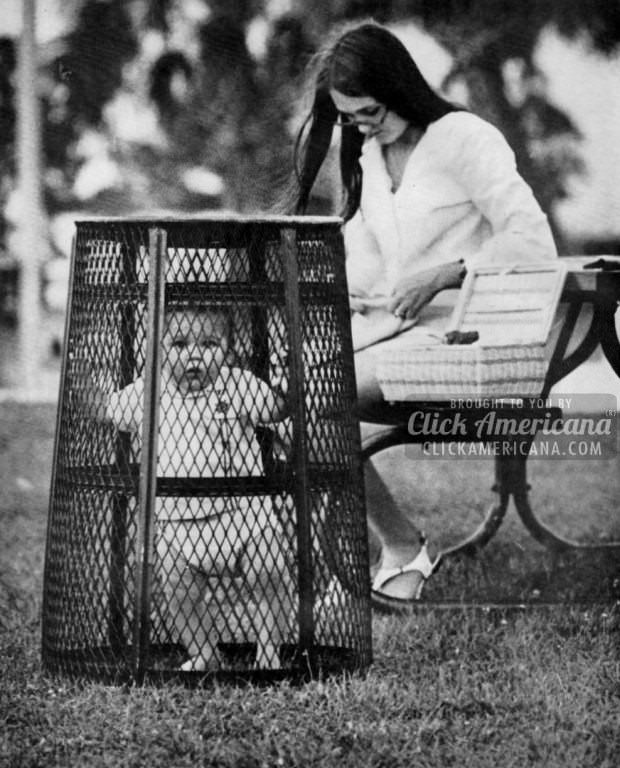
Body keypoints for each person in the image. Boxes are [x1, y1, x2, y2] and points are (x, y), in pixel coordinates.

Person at [292, 21, 558, 610]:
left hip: (469, 344)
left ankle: (401, 547)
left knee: (313, 401)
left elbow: (534, 241)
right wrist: (336, 289)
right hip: (394, 339)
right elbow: (368, 268)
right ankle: (361, 554)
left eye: (368, 110)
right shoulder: (368, 155)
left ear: (399, 85)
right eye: (349, 117)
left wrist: (448, 271)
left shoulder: (463, 137)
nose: (360, 125)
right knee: (285, 395)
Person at [100, 303, 290, 671]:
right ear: (159, 349)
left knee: (269, 571)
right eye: (180, 344)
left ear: (228, 351)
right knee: (177, 591)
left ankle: (269, 653)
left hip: (243, 516)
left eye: (209, 344)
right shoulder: (147, 391)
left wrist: (287, 387)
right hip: (176, 525)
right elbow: (109, 411)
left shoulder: (240, 385)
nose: (195, 355)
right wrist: (84, 388)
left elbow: (274, 411)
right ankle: (204, 653)